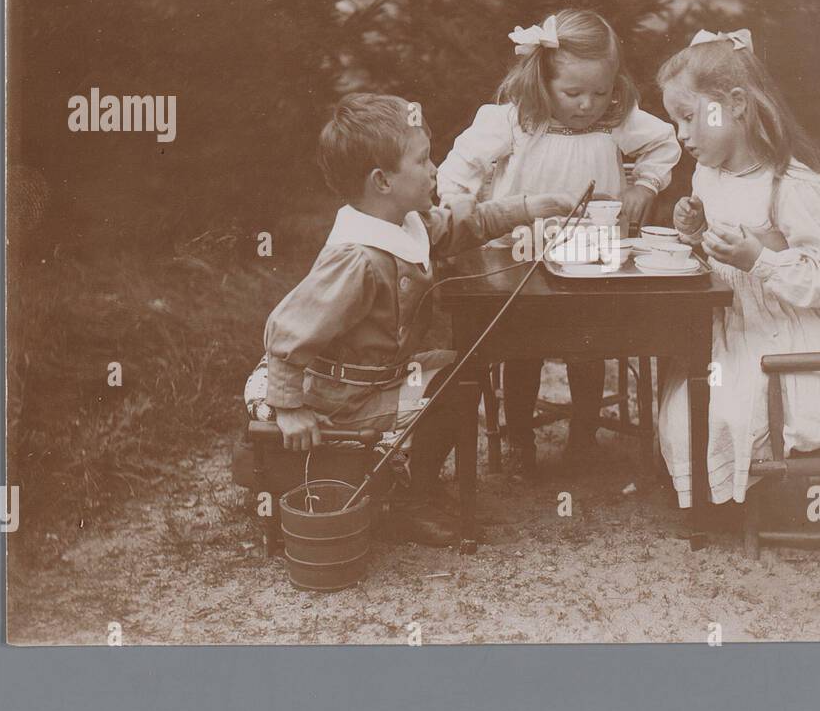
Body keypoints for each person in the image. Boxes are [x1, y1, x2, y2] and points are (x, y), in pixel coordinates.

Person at [245, 94, 574, 545]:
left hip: (378, 378)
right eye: (423, 160)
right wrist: (289, 407)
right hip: (343, 395)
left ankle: (418, 486)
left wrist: (527, 207)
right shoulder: (356, 258)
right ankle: (410, 502)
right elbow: (287, 332)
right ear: (382, 180)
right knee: (453, 385)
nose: (435, 168)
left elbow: (463, 225)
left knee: (463, 370)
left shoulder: (405, 223)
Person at [655, 29, 820, 508]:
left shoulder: (793, 186)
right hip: (740, 325)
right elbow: (719, 254)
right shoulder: (708, 174)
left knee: (727, 416)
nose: (681, 135)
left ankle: (737, 496)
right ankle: (717, 495)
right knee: (685, 413)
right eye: (674, 121)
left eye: (689, 117)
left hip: (794, 331)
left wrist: (758, 259)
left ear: (736, 105)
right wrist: (696, 230)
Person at [437, 8, 681, 474]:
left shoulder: (616, 119)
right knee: (521, 347)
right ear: (540, 81)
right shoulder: (513, 121)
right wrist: (459, 212)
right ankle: (520, 439)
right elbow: (459, 167)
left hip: (590, 259)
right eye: (573, 92)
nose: (588, 104)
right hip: (517, 256)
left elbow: (664, 142)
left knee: (587, 344)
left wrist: (644, 186)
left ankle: (584, 434)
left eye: (601, 91)